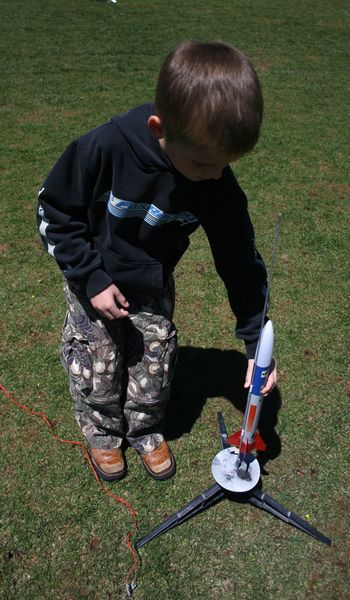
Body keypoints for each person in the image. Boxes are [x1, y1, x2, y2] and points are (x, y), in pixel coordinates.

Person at [37, 40, 277, 482]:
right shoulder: (106, 146)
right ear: (158, 128)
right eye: (204, 164)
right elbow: (54, 211)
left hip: (152, 281)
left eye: (225, 165)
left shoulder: (215, 177)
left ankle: (145, 430)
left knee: (154, 362)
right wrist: (90, 277)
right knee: (97, 362)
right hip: (93, 276)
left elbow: (238, 257)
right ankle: (103, 434)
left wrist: (253, 341)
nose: (216, 175)